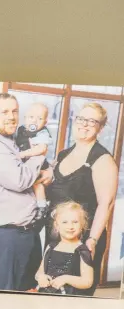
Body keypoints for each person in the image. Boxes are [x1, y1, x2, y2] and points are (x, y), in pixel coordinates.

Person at [0, 93, 53, 291]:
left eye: (15, 111)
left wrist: (48, 170)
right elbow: (21, 180)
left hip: (22, 235)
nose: (11, 116)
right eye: (4, 112)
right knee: (0, 302)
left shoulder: (12, 141)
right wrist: (39, 155)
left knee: (22, 303)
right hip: (2, 238)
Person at [46, 102, 118, 295]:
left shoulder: (102, 159)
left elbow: (106, 203)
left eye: (92, 121)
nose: (84, 124)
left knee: (75, 298)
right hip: (56, 237)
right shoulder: (63, 154)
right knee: (51, 293)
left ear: (100, 128)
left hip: (83, 239)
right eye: (81, 119)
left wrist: (92, 241)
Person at [36, 201, 94, 296]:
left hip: (70, 298)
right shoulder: (51, 247)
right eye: (64, 222)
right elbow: (39, 272)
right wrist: (41, 277)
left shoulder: (82, 251)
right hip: (46, 295)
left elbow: (87, 282)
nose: (70, 226)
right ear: (57, 225)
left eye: (75, 222)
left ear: (82, 225)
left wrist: (66, 278)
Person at [16, 103, 53, 219]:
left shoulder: (42, 133)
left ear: (45, 123)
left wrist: (22, 154)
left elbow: (42, 148)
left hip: (39, 164)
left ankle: (42, 207)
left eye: (40, 118)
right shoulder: (21, 129)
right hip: (25, 164)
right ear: (25, 118)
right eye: (31, 117)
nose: (35, 121)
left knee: (38, 184)